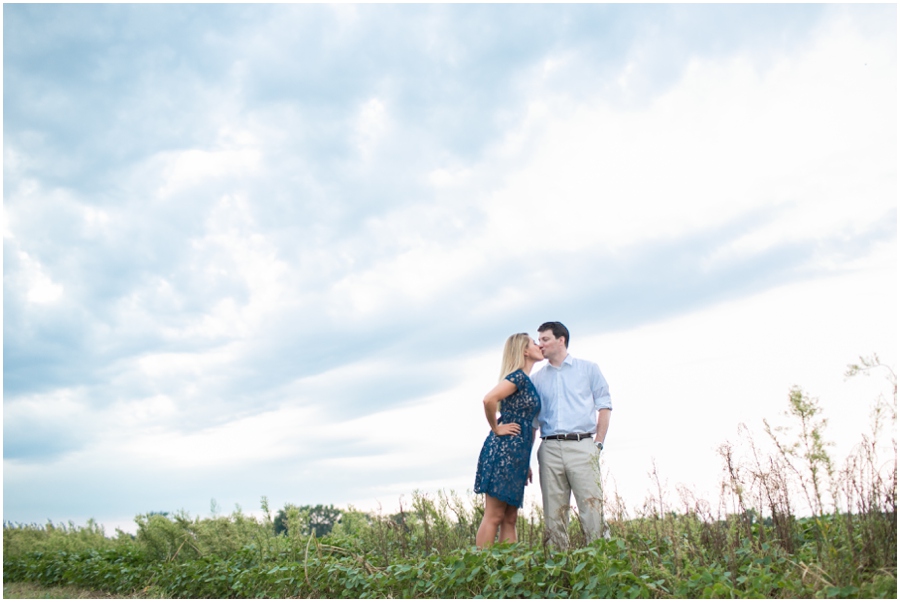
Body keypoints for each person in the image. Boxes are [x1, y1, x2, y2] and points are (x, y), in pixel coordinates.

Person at [531, 321, 611, 548]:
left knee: (592, 511)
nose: (541, 345)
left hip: (582, 445)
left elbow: (604, 405)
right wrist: (527, 459)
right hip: (549, 449)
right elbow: (534, 423)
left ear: (561, 340)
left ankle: (601, 564)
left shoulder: (588, 369)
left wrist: (598, 444)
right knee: (553, 516)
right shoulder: (537, 379)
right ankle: (558, 570)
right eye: (539, 340)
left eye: (545, 339)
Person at [474, 333, 544, 547]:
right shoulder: (517, 377)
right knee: (494, 515)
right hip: (503, 451)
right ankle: (479, 567)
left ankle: (509, 570)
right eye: (534, 343)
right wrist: (496, 427)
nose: (539, 345)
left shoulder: (526, 379)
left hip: (517, 455)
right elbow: (488, 399)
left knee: (510, 518)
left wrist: (526, 461)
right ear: (524, 350)